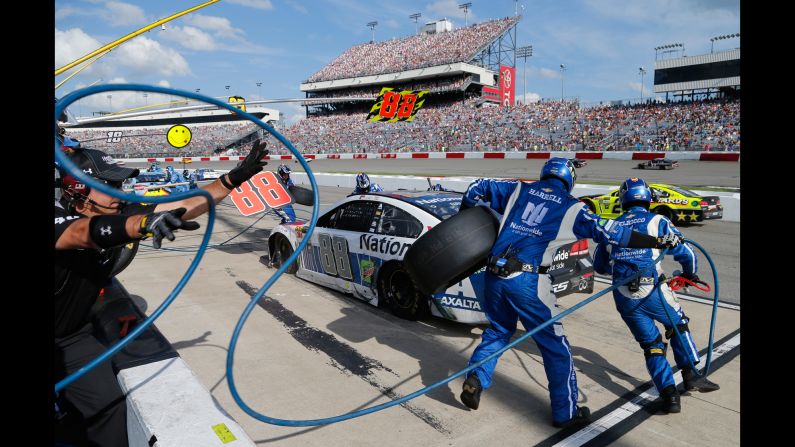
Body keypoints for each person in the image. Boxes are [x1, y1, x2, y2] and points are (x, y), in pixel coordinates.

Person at [54, 143, 268, 446]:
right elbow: (80, 234)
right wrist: (141, 224)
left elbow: (181, 206)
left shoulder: (118, 211)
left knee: (110, 406)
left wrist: (231, 180)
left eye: (121, 183)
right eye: (110, 185)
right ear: (78, 190)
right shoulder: (59, 216)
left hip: (72, 335)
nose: (120, 192)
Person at [458, 158, 682, 429]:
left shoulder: (518, 189)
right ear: (569, 180)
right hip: (528, 280)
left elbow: (476, 187)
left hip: (494, 275)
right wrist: (656, 240)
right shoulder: (572, 207)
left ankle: (476, 380)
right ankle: (566, 413)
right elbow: (612, 233)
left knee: (498, 331)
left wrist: (464, 222)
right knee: (556, 347)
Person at [593, 178, 719, 414]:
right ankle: (691, 374)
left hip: (624, 296)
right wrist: (689, 274)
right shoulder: (657, 220)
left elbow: (599, 265)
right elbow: (686, 252)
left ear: (623, 199)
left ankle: (670, 396)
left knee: (651, 346)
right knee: (678, 326)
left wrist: (623, 268)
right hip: (653, 291)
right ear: (648, 198)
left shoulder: (611, 225)